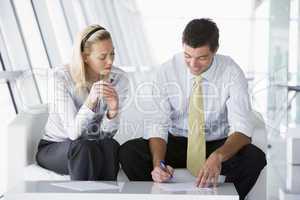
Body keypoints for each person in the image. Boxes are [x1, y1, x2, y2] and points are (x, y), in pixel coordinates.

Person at [119, 18, 266, 200]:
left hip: (216, 142)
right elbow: (157, 124)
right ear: (183, 46)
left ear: (215, 50)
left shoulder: (231, 71)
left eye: (202, 58)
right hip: (177, 142)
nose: (193, 64)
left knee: (254, 158)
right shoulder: (167, 71)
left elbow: (242, 129)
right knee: (130, 152)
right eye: (188, 56)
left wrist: (218, 156)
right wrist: (159, 164)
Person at [36, 24, 129, 181]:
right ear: (85, 57)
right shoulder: (60, 77)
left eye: (112, 54)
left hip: (93, 143)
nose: (110, 61)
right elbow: (73, 133)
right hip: (56, 146)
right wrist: (91, 101)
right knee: (84, 148)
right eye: (103, 56)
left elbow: (107, 135)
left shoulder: (119, 78)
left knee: (110, 146)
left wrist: (113, 110)